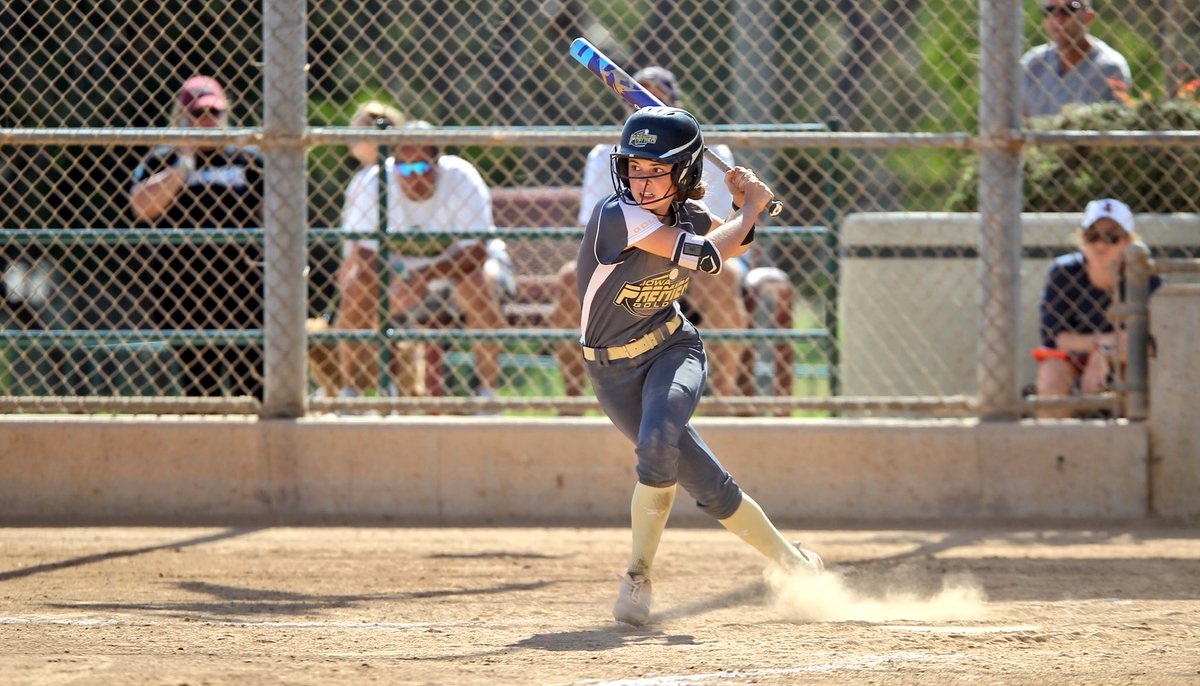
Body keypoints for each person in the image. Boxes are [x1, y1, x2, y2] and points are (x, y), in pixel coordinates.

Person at [574, 105, 823, 627]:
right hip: (613, 373)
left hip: (672, 349)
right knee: (707, 483)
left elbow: (736, 244)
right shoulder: (618, 216)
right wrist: (751, 207)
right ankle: (796, 564)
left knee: (658, 440)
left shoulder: (688, 215)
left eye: (656, 170)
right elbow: (709, 255)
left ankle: (637, 577)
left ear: (685, 172)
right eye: (634, 169)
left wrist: (741, 203)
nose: (641, 182)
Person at [553, 65, 796, 404]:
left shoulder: (709, 154)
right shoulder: (608, 154)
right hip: (637, 257)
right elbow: (597, 235)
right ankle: (573, 404)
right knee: (569, 280)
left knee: (722, 276)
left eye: (659, 95)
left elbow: (727, 244)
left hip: (695, 262)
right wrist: (752, 209)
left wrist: (742, 209)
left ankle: (722, 401)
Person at [333, 118, 513, 401]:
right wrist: (394, 285)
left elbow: (477, 252)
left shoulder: (461, 178)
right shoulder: (374, 181)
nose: (413, 175)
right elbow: (365, 255)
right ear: (394, 163)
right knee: (358, 285)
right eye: (405, 167)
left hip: (457, 274)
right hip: (397, 278)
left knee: (477, 283)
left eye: (422, 167)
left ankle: (486, 394)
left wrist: (424, 277)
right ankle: (349, 393)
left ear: (437, 163)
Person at [129, 75, 265, 398]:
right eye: (199, 113)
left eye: (214, 113)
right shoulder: (161, 160)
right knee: (201, 389)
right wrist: (184, 165)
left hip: (243, 289)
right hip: (184, 291)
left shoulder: (247, 160)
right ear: (182, 116)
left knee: (255, 385)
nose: (208, 121)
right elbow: (141, 207)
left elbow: (281, 209)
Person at [1033, 198, 1161, 418]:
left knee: (1136, 370)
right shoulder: (1064, 272)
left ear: (1127, 243)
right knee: (1051, 373)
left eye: (1112, 237)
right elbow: (1055, 338)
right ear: (1081, 240)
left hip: (1126, 360)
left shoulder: (1145, 278)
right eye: (1092, 236)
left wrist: (1105, 354)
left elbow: (1148, 344)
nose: (1100, 245)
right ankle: (1055, 448)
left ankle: (1134, 446)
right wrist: (1102, 347)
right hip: (1076, 359)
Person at [1021, 0, 1132, 118]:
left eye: (1069, 9)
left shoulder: (1109, 67)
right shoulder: (1033, 63)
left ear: (1088, 16)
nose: (1057, 19)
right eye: (1050, 10)